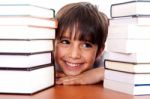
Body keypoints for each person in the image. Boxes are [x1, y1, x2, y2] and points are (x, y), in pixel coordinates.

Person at [54, 2, 109, 85]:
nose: (74, 55)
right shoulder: (43, 59)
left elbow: (132, 73)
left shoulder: (106, 62)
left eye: (86, 45)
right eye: (65, 42)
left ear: (99, 52)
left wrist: (99, 73)